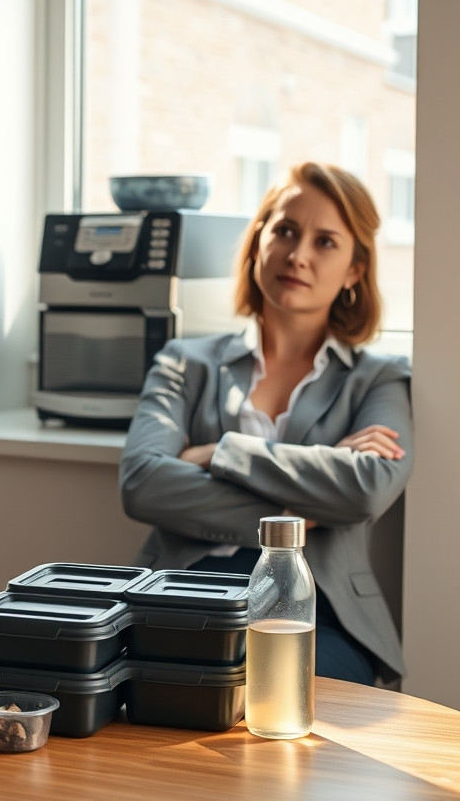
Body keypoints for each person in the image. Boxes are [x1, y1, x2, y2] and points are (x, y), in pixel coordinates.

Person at [118, 161, 411, 687]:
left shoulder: (379, 379)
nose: (298, 254)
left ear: (353, 271)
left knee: (276, 686)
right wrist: (294, 514)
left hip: (322, 608)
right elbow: (143, 483)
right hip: (184, 587)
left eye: (326, 242)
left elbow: (364, 488)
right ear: (258, 243)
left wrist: (220, 453)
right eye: (286, 231)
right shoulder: (185, 362)